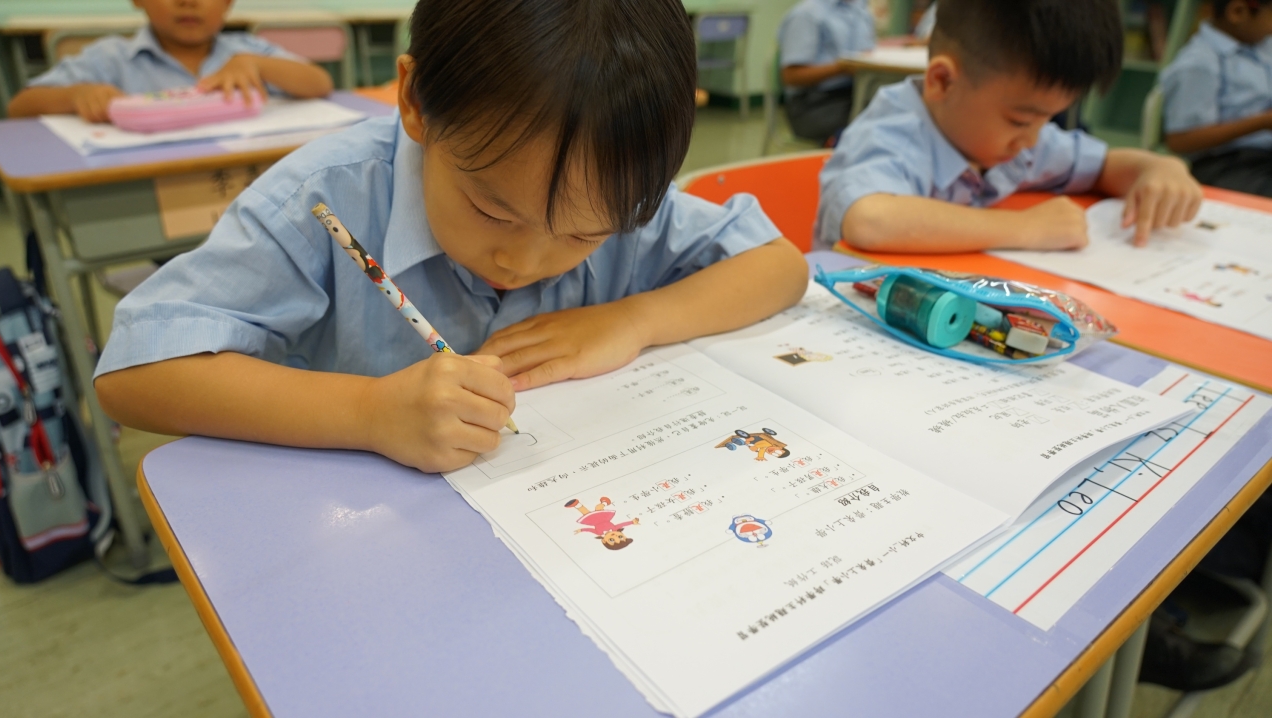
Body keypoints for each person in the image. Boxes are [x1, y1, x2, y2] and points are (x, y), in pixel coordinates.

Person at [93, 0, 809, 474]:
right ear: (416, 103)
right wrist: (368, 414)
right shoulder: (328, 198)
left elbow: (779, 266)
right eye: (493, 212)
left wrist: (634, 320)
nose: (523, 261)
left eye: (586, 235)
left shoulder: (609, 184)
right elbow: (134, 375)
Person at [815, 0, 1203, 253]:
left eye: (1048, 119)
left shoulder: (1006, 138)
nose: (1032, 140)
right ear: (943, 82)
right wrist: (1026, 228)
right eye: (1021, 120)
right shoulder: (892, 134)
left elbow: (1102, 166)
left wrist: (1158, 168)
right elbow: (870, 220)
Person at [7, 0, 333, 123]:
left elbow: (320, 83)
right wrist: (76, 95)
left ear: (228, 2)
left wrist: (259, 65)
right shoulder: (111, 57)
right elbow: (20, 106)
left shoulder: (245, 50)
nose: (187, 2)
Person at [1161, 0, 1272, 197]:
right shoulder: (1198, 63)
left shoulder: (1261, 46)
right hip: (1227, 164)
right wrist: (1262, 122)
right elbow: (1180, 141)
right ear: (1238, 12)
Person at [778, 0, 877, 144]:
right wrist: (842, 68)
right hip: (815, 103)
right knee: (874, 127)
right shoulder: (807, 14)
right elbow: (791, 76)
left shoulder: (860, 11)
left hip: (853, 94)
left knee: (892, 114)